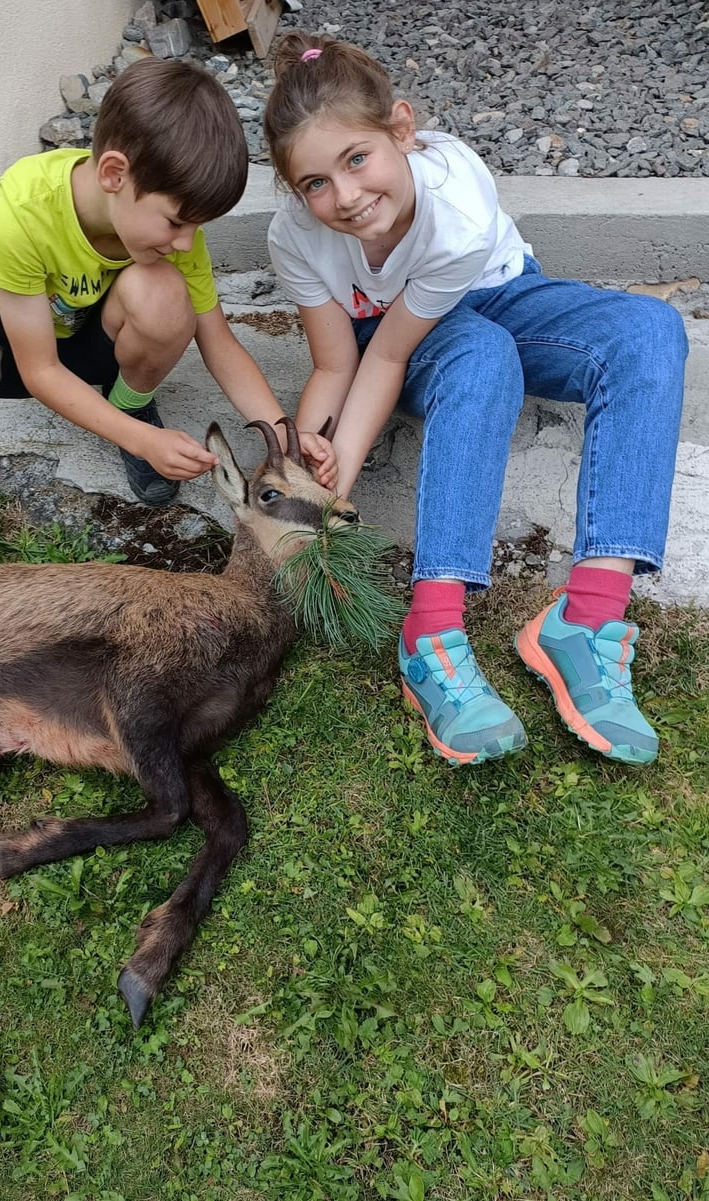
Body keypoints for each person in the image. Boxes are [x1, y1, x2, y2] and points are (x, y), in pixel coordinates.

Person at [262, 32, 688, 767]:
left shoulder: (453, 209)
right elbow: (344, 362)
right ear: (295, 191)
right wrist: (316, 482)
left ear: (402, 128)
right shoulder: (297, 236)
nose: (346, 197)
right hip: (399, 332)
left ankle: (585, 622)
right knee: (478, 357)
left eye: (357, 159)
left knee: (649, 329)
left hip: (497, 290)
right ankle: (431, 636)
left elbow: (396, 351)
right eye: (315, 183)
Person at [0, 57, 336, 590]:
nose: (186, 242)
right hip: (15, 342)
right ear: (115, 174)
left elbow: (219, 343)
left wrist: (285, 436)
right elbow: (41, 371)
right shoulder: (24, 204)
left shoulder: (167, 227)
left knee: (163, 290)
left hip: (101, 344)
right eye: (177, 222)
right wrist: (143, 442)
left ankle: (127, 401)